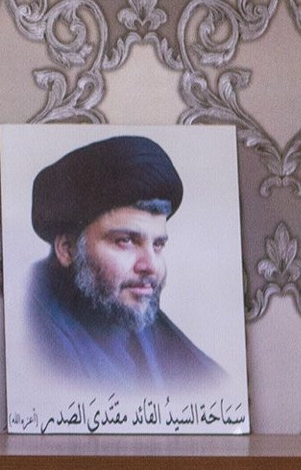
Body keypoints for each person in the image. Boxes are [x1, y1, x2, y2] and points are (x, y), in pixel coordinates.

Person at [23, 134, 226, 393]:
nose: (150, 266)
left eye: (158, 245)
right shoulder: (33, 342)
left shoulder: (194, 367)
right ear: (67, 249)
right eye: (126, 241)